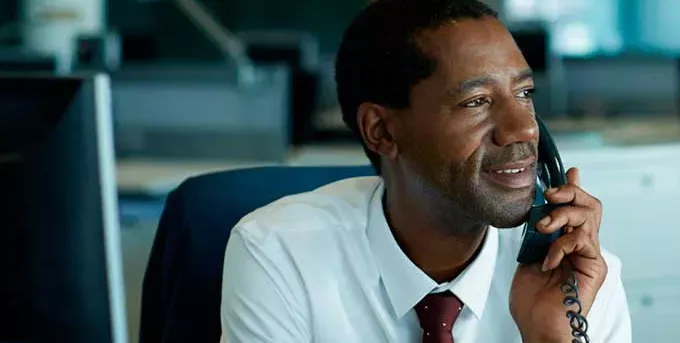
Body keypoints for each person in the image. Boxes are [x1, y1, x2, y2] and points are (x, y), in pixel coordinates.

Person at [220, 0, 632, 342]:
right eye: (476, 102)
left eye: (524, 93)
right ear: (381, 131)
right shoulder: (281, 253)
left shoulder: (577, 276)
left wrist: (549, 339)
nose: (525, 128)